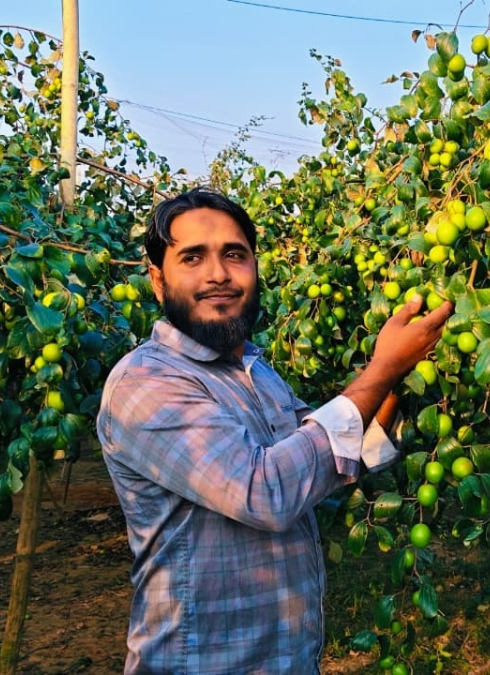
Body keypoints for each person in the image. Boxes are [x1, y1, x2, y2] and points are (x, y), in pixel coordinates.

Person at [96, 188, 452, 675]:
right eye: (193, 257)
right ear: (158, 280)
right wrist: (382, 369)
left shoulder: (256, 372)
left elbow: (320, 472)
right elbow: (267, 492)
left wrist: (392, 384)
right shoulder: (145, 384)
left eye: (235, 255)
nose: (218, 274)